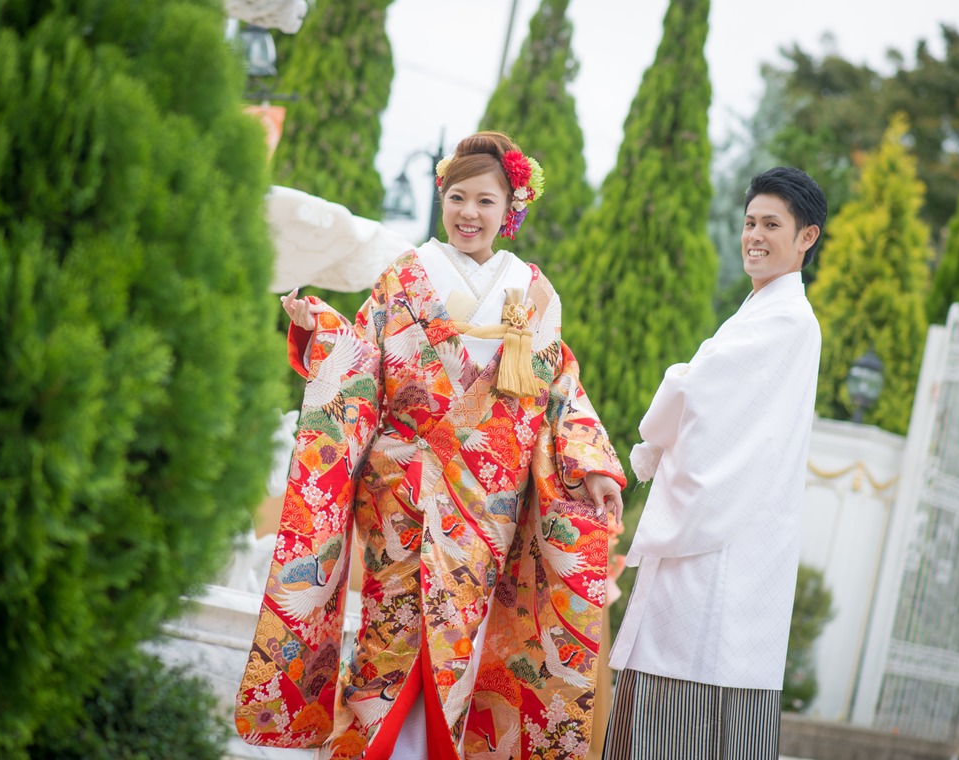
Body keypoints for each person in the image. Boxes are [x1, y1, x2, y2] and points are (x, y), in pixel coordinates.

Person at [237, 131, 627, 760]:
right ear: (442, 199)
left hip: (486, 503)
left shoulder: (532, 292)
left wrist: (593, 464)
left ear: (510, 211)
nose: (469, 213)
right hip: (402, 489)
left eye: (486, 202)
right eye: (457, 198)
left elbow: (561, 389)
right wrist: (324, 331)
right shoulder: (406, 277)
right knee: (387, 634)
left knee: (460, 639)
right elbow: (363, 362)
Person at [603, 167, 826, 759]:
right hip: (726, 527)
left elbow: (696, 388)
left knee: (684, 706)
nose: (755, 235)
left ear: (807, 237)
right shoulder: (762, 312)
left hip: (722, 536)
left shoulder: (786, 320)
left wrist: (655, 434)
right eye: (750, 221)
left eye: (772, 224)